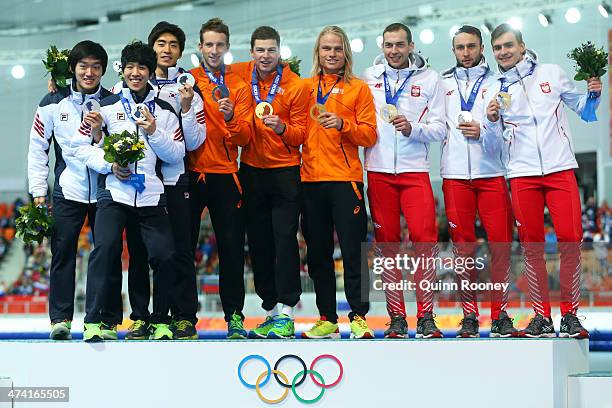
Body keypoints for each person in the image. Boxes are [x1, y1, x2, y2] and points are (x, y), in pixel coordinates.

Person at [482, 23, 602, 338]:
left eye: (508, 45)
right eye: (497, 48)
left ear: (522, 46)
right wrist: (491, 120)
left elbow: (584, 112)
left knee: (571, 242)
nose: (503, 52)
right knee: (532, 248)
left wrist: (593, 94)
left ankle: (571, 316)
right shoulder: (493, 86)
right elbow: (492, 146)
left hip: (560, 167)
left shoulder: (551, 72)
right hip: (521, 174)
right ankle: (542, 316)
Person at [72, 41, 184, 342]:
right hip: (115, 193)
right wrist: (110, 165)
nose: (136, 73)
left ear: (149, 71)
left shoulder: (163, 110)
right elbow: (81, 147)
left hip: (149, 194)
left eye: (142, 68)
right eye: (130, 67)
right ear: (123, 69)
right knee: (105, 249)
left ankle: (160, 321)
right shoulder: (106, 106)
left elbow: (176, 154)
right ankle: (93, 322)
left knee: (164, 254)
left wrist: (153, 131)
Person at [121, 21, 207, 341]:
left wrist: (185, 108)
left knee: (180, 251)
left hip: (174, 181)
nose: (167, 50)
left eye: (173, 44)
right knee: (141, 253)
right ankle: (142, 317)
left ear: (181, 51)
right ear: (151, 47)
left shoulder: (189, 87)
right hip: (138, 184)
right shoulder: (128, 88)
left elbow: (195, 142)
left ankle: (183, 316)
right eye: (161, 43)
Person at [362, 23, 446, 338]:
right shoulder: (368, 79)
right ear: (382, 47)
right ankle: (396, 317)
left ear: (411, 46)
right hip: (379, 170)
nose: (394, 51)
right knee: (387, 248)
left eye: (400, 45)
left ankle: (426, 317)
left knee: (425, 243)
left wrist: (414, 128)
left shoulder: (430, 79)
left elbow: (440, 128)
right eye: (388, 45)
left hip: (415, 171)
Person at [27, 40, 112, 340]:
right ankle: (60, 319)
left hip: (106, 191)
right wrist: (39, 191)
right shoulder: (51, 102)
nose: (89, 73)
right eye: (83, 66)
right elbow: (38, 149)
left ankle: (101, 320)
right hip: (67, 189)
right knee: (62, 253)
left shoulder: (114, 102)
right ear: (72, 68)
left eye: (96, 67)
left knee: (105, 254)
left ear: (103, 70)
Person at [230, 26, 309, 339]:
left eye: (271, 50)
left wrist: (281, 128)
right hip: (249, 170)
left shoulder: (295, 85)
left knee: (285, 240)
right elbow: (207, 71)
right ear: (251, 53)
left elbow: (301, 134)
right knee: (259, 242)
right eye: (260, 50)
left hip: (286, 171)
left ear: (280, 51)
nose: (265, 56)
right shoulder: (240, 74)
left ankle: (288, 312)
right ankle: (269, 311)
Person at [440, 25, 517, 338]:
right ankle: (469, 316)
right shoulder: (441, 83)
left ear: (482, 47)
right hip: (455, 177)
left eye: (472, 46)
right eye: (460, 48)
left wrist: (487, 130)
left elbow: (508, 134)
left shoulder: (499, 80)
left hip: (491, 175)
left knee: (500, 247)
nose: (466, 53)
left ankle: (500, 315)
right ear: (454, 51)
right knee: (463, 250)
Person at [300, 25, 377, 340]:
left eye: (336, 48)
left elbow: (370, 134)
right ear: (317, 52)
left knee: (353, 252)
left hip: (345, 181)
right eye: (325, 49)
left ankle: (358, 317)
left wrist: (344, 124)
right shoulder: (303, 88)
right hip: (310, 181)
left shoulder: (359, 89)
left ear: (346, 52)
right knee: (318, 255)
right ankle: (326, 318)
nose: (331, 54)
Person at [188, 18, 253, 339]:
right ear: (200, 48)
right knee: (184, 249)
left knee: (230, 249)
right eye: (209, 45)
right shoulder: (187, 80)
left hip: (227, 175)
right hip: (191, 174)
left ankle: (235, 316)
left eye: (219, 45)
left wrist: (230, 116)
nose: (214, 50)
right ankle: (185, 316)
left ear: (227, 49)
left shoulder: (239, 86)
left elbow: (245, 137)